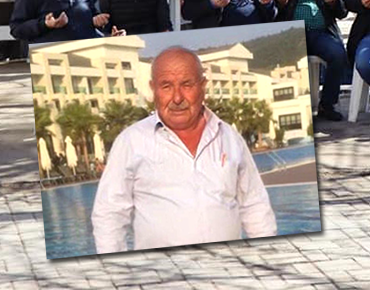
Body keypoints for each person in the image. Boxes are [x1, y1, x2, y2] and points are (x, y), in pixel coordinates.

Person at [91, 47, 277, 254]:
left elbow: (254, 205)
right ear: (154, 89)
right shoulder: (131, 142)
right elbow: (109, 215)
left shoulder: (230, 138)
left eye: (186, 85)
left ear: (203, 86)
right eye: (166, 86)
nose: (177, 97)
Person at [270, 0, 348, 121]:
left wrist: (333, 2)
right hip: (291, 34)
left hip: (322, 33)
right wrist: (280, 3)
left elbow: (342, 13)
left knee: (338, 54)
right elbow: (271, 15)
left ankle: (327, 104)